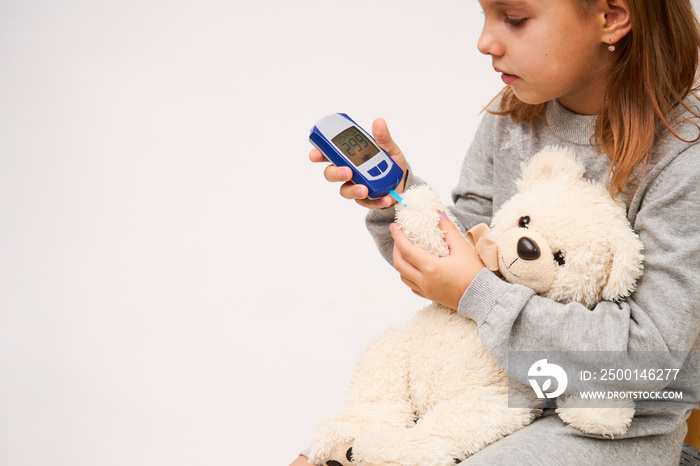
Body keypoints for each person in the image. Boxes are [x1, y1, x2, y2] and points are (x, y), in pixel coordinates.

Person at [292, 0, 700, 464]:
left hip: (607, 424)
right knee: (316, 458)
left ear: (612, 17)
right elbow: (475, 250)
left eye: (515, 19)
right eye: (484, 15)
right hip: (482, 388)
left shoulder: (685, 157)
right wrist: (404, 201)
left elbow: (653, 360)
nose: (484, 41)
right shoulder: (513, 116)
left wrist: (478, 293)